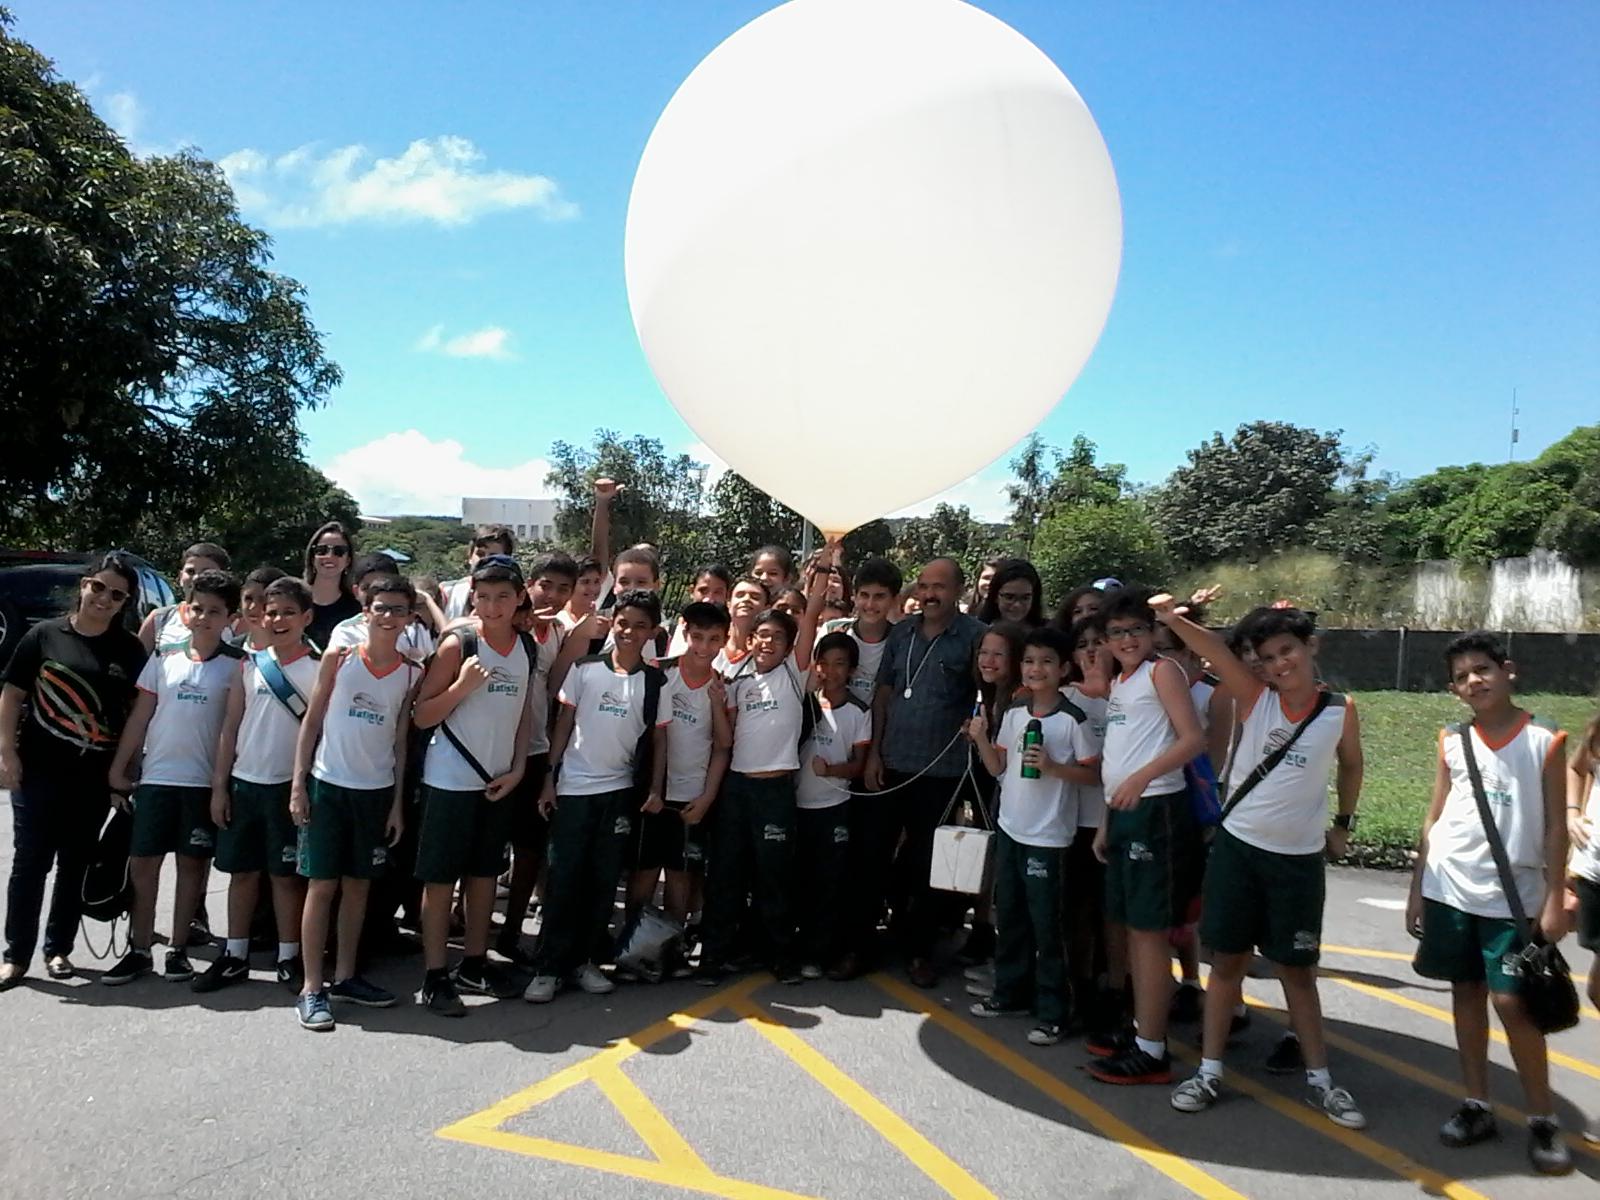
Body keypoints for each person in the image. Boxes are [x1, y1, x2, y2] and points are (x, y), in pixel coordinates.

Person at [1155, 600, 1368, 1131]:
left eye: (1287, 651)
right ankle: (1209, 1071)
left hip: (1298, 862)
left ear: (1311, 647)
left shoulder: (1340, 710)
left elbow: (1352, 763)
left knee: (1298, 970)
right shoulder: (1255, 698)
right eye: (1268, 657)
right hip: (1240, 849)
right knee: (1227, 964)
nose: (1278, 665)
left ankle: (1321, 1080)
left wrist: (1343, 823)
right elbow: (1213, 650)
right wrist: (1174, 620)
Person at [1405, 632, 1572, 1175]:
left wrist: (1555, 898)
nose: (1473, 681)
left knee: (1513, 1003)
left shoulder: (1545, 739)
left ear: (1508, 670)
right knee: (1466, 993)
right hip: (1450, 886)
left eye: (1483, 669)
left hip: (1513, 896)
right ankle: (1476, 1103)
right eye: (1461, 676)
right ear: (1453, 690)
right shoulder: (1452, 740)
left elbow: (1556, 827)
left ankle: (1542, 1116)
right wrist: (1418, 887)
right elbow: (1435, 816)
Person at [0, 553, 148, 989]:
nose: (104, 598)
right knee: (30, 862)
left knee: (75, 863)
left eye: (116, 594)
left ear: (125, 603)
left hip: (93, 777)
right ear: (84, 585)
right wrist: (6, 752)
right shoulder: (44, 635)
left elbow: (137, 715)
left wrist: (124, 772)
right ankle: (15, 955)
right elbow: (11, 695)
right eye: (98, 587)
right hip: (37, 770)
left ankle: (58, 949)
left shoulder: (129, 650)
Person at [289, 575, 422, 1030]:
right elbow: (312, 720)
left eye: (398, 610)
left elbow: (401, 740)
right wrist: (298, 784)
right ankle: (312, 987)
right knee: (321, 886)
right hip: (328, 785)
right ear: (365, 612)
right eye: (380, 608)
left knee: (359, 886)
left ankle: (346, 976)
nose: (388, 617)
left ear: (410, 618)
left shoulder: (412, 672)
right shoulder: (340, 657)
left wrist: (397, 804)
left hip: (376, 791)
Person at [1084, 589, 1205, 1085]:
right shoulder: (1121, 682)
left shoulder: (1162, 672)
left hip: (1157, 809)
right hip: (1126, 813)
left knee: (1150, 931)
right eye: (1117, 633)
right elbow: (1121, 754)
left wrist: (1141, 779)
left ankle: (1153, 1048)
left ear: (1152, 632)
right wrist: (1108, 819)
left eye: (1136, 629)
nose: (1127, 639)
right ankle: (1142, 1031)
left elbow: (1192, 738)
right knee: (1135, 929)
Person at [525, 590, 668, 1004]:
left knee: (603, 880)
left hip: (620, 793)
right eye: (623, 623)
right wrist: (549, 778)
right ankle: (549, 967)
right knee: (564, 878)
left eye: (640, 626)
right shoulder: (585, 669)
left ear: (653, 632)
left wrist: (655, 788)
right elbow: (564, 723)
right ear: (612, 622)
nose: (630, 632)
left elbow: (659, 740)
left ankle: (584, 961)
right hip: (574, 789)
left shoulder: (655, 682)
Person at [105, 570, 244, 985]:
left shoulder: (238, 666)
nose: (203, 617)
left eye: (214, 611)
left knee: (191, 867)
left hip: (202, 784)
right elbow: (141, 715)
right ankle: (139, 949)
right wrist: (119, 767)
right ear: (185, 611)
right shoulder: (164, 657)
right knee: (143, 864)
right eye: (197, 608)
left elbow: (233, 730)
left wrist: (220, 786)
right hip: (157, 778)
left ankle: (178, 949)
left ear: (231, 618)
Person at [411, 557, 536, 1015]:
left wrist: (518, 768)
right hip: (450, 778)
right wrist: (462, 687)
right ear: (473, 599)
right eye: (484, 597)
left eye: (503, 596)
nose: (493, 606)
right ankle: (435, 975)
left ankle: (475, 962)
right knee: (441, 879)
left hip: (498, 780)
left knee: (484, 874)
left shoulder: (526, 647)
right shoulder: (458, 645)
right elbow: (422, 715)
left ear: (519, 598)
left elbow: (524, 713)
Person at [967, 626, 1101, 1046]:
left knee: (1048, 926)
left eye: (1046, 662)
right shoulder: (1014, 713)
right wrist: (980, 738)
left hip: (1049, 836)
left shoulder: (1072, 719)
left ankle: (1055, 1011)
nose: (1035, 669)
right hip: (1011, 828)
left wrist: (1054, 768)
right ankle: (1009, 993)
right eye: (1028, 661)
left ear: (1064, 669)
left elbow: (1096, 775)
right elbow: (998, 768)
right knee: (1010, 915)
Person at [863, 557, 985, 987]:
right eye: (924, 586)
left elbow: (987, 693)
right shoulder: (902, 632)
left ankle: (920, 952)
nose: (930, 594)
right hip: (892, 762)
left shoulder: (975, 636)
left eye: (940, 587)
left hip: (942, 771)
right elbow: (884, 693)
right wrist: (874, 753)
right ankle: (862, 946)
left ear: (958, 590)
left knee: (928, 866)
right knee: (873, 856)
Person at [196, 576, 317, 994]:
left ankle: (288, 956)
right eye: (272, 612)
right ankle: (235, 954)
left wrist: (302, 786)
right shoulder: (249, 665)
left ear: (306, 618)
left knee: (285, 877)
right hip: (244, 783)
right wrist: (219, 786)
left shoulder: (318, 669)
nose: (278, 620)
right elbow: (230, 727)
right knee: (242, 872)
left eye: (288, 613)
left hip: (287, 787)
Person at [699, 607, 809, 985]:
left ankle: (780, 957)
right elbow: (725, 740)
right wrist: (717, 703)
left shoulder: (794, 674)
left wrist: (821, 576)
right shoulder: (737, 681)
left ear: (790, 646)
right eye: (762, 634)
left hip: (775, 792)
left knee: (774, 876)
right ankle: (713, 957)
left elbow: (810, 619)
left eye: (778, 636)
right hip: (736, 789)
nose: (768, 642)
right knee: (725, 874)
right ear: (750, 640)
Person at [497, 553, 597, 964]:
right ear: (529, 586)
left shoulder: (559, 633)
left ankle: (511, 933)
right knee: (483, 852)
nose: (552, 595)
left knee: (530, 848)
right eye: (545, 586)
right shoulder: (499, 624)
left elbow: (557, 691)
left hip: (536, 750)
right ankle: (469, 930)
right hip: (490, 751)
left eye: (563, 589)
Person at [630, 601, 732, 930]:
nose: (704, 647)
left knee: (681, 875)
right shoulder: (658, 671)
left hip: (691, 795)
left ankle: (670, 946)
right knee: (644, 872)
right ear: (684, 632)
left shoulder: (724, 685)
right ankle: (630, 942)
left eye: (714, 639)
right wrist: (649, 787)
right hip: (651, 792)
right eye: (698, 637)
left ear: (725, 639)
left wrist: (707, 798)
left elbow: (723, 746)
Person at [795, 631, 872, 979]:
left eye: (840, 664)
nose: (830, 671)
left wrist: (832, 771)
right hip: (797, 803)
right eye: (823, 663)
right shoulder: (804, 702)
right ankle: (793, 946)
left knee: (828, 883)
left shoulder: (859, 711)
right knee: (798, 879)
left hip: (834, 806)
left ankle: (820, 951)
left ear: (852, 669)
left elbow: (859, 765)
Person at [1567, 708, 1600, 1148]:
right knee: (1596, 989)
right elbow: (1577, 768)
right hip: (1594, 875)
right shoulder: (1597, 729)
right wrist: (1574, 811)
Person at [817, 557, 902, 707]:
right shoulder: (832, 630)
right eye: (864, 595)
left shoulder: (902, 640)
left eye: (879, 596)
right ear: (855, 597)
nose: (870, 604)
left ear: (895, 599)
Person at [328, 552, 437, 663]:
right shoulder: (346, 632)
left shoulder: (415, 630)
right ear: (356, 591)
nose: (376, 595)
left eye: (384, 587)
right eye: (367, 588)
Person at [138, 541, 231, 653]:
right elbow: (137, 661)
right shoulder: (160, 619)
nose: (196, 578)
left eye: (206, 572)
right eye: (190, 571)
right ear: (181, 577)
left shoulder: (235, 624)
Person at [303, 521, 361, 651]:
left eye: (339, 551)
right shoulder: (294, 600)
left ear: (348, 560)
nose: (329, 556)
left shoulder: (357, 610)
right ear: (312, 557)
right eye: (321, 550)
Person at [442, 525, 515, 621]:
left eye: (493, 556)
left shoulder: (515, 595)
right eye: (480, 554)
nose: (485, 560)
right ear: (470, 556)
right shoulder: (447, 591)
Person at [664, 565, 733, 658]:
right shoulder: (667, 634)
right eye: (703, 591)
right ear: (692, 591)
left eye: (717, 592)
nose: (709, 599)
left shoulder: (734, 642)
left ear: (727, 595)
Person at [976, 559, 1044, 628]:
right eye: (1009, 597)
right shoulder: (978, 630)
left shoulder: (1046, 632)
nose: (1017, 605)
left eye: (1025, 598)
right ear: (995, 597)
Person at [238, 566, 287, 651]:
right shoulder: (232, 651)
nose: (253, 606)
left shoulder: (301, 651)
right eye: (248, 599)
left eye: (262, 599)